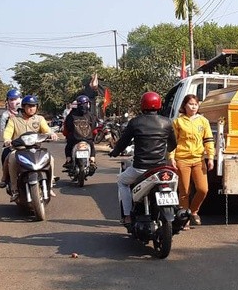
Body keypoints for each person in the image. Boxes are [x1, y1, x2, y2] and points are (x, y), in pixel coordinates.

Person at [109, 92, 177, 227]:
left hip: (140, 168)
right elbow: (173, 144)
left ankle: (127, 215)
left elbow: (123, 142)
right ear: (159, 105)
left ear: (142, 105)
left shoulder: (135, 122)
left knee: (122, 181)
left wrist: (115, 152)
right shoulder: (167, 122)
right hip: (160, 168)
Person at [169, 94, 215, 228]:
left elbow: (208, 140)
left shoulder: (203, 121)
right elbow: (172, 142)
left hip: (198, 160)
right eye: (190, 104)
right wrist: (171, 158)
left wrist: (210, 157)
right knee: (184, 191)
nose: (193, 107)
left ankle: (193, 211)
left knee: (203, 189)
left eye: (195, 104)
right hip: (182, 159)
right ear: (184, 106)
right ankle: (184, 219)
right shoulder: (178, 122)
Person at [1, 95, 58, 201]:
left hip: (36, 149)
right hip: (19, 149)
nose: (32, 108)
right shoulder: (14, 120)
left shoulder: (40, 119)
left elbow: (46, 130)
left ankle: (50, 186)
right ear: (23, 107)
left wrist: (51, 134)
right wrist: (7, 140)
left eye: (34, 106)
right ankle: (14, 190)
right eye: (29, 106)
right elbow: (8, 132)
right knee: (12, 159)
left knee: (51, 159)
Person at [62, 95, 97, 171]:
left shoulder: (71, 115)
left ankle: (68, 160)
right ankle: (92, 160)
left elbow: (67, 128)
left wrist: (68, 135)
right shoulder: (91, 115)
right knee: (92, 147)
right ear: (88, 104)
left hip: (74, 139)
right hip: (87, 139)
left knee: (68, 147)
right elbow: (93, 128)